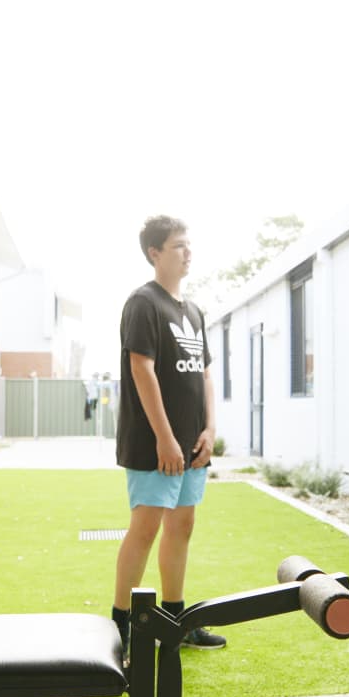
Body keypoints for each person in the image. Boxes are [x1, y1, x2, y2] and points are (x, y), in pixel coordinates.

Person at [111, 216, 225, 650]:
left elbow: (206, 375)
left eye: (188, 245)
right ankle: (121, 625)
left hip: (193, 444)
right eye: (178, 246)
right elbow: (142, 370)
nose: (187, 252)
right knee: (145, 528)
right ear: (155, 253)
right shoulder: (143, 304)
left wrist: (210, 428)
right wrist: (164, 437)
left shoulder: (193, 311)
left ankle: (176, 621)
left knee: (183, 526)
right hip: (154, 445)